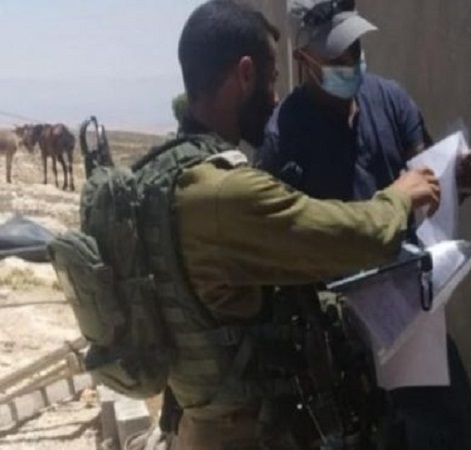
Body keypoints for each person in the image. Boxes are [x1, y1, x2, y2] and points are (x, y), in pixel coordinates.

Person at [128, 1, 441, 449]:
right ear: (245, 75)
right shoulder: (225, 194)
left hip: (197, 422)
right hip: (246, 432)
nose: (275, 98)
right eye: (272, 80)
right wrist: (400, 198)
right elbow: (342, 237)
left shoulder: (154, 177)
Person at [255, 1, 471, 449]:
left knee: (457, 427)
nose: (350, 62)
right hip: (342, 330)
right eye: (335, 56)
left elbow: (428, 176)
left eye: (355, 48)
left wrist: (459, 178)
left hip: (408, 311)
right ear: (303, 61)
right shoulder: (284, 138)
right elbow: (281, 245)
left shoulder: (389, 100)